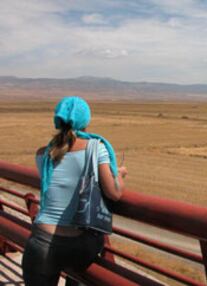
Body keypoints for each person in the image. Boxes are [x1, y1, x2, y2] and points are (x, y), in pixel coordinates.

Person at [21, 96, 127, 286]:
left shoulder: (43, 154)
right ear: (86, 121)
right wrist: (118, 174)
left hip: (41, 242)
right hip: (78, 246)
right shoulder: (97, 148)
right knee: (93, 243)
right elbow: (115, 193)